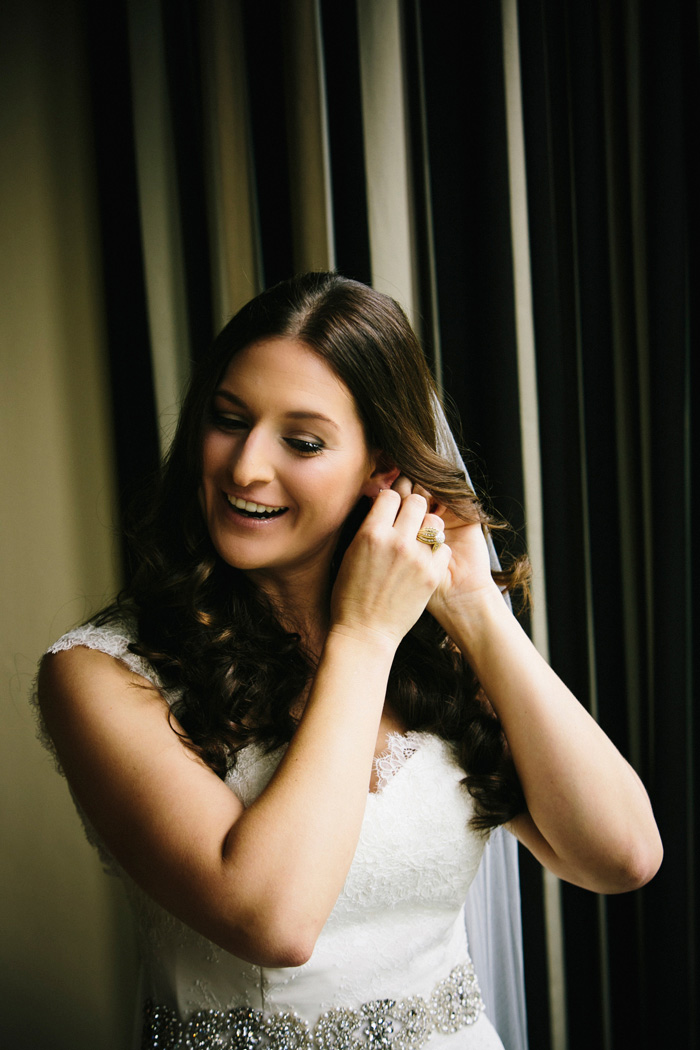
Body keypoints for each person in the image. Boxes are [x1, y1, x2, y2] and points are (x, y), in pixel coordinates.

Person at [36, 272, 662, 1049]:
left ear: (381, 469)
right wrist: (361, 639)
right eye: (229, 421)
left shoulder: (435, 647)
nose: (245, 468)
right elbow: (274, 921)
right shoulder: (102, 672)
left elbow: (622, 856)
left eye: (302, 441)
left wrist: (475, 612)